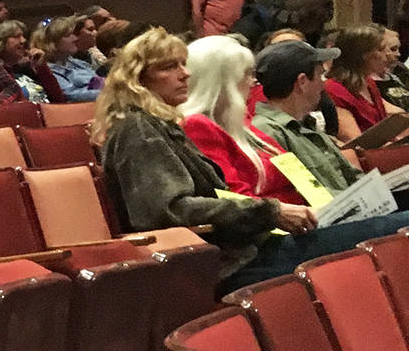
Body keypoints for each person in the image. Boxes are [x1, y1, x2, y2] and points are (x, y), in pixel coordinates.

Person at [94, 28, 409, 291]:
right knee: (399, 226)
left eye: (183, 64)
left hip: (250, 249)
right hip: (236, 263)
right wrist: (271, 211)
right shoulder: (137, 129)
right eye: (169, 67)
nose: (185, 73)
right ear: (138, 79)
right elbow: (171, 209)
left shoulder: (156, 125)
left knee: (395, 226)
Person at [251, 39, 375, 205]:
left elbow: (353, 177)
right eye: (320, 75)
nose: (324, 83)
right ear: (302, 82)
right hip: (330, 221)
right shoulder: (268, 132)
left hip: (356, 209)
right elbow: (301, 196)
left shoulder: (308, 125)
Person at [179, 36, 298, 201]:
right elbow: (235, 198)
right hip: (273, 223)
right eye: (247, 73)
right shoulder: (196, 126)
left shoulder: (240, 121)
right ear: (222, 82)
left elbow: (296, 174)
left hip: (308, 215)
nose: (253, 81)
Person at [323, 24, 403, 138]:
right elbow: (355, 142)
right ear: (364, 55)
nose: (387, 55)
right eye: (381, 50)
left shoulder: (368, 82)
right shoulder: (333, 89)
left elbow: (393, 117)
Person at [0, 20, 65, 102]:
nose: (23, 40)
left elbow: (59, 98)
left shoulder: (28, 69)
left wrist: (41, 67)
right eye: (17, 36)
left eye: (23, 36)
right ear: (0, 42)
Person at [37, 16, 102, 101]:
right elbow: (70, 95)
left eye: (73, 34)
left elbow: (100, 82)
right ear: (52, 42)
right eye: (68, 35)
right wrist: (109, 93)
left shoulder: (78, 63)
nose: (75, 38)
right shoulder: (49, 71)